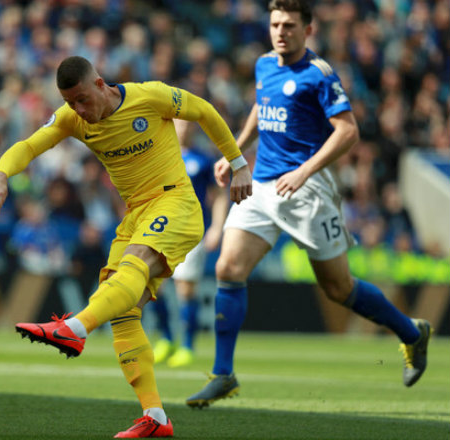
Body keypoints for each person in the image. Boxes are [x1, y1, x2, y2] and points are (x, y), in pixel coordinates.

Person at [0, 55, 252, 438]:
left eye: (81, 99)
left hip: (175, 203)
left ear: (100, 84)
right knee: (124, 312)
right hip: (135, 216)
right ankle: (155, 417)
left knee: (133, 265)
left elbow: (204, 110)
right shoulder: (72, 119)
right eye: (69, 102)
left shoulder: (149, 97)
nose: (77, 109)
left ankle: (75, 328)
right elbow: (28, 146)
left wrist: (238, 163)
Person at [185, 0, 432, 409]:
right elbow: (261, 109)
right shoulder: (265, 64)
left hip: (308, 191)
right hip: (262, 187)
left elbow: (348, 131)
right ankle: (223, 374)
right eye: (275, 24)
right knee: (228, 267)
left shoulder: (319, 75)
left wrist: (304, 171)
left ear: (308, 30)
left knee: (338, 288)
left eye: (290, 25)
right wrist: (236, 153)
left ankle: (410, 332)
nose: (281, 32)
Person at [151, 119, 229, 368]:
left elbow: (217, 196)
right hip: (162, 231)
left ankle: (187, 345)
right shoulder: (158, 155)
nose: (183, 128)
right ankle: (165, 338)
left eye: (187, 124)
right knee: (152, 285)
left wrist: (217, 227)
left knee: (186, 288)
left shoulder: (203, 160)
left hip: (191, 231)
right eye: (178, 124)